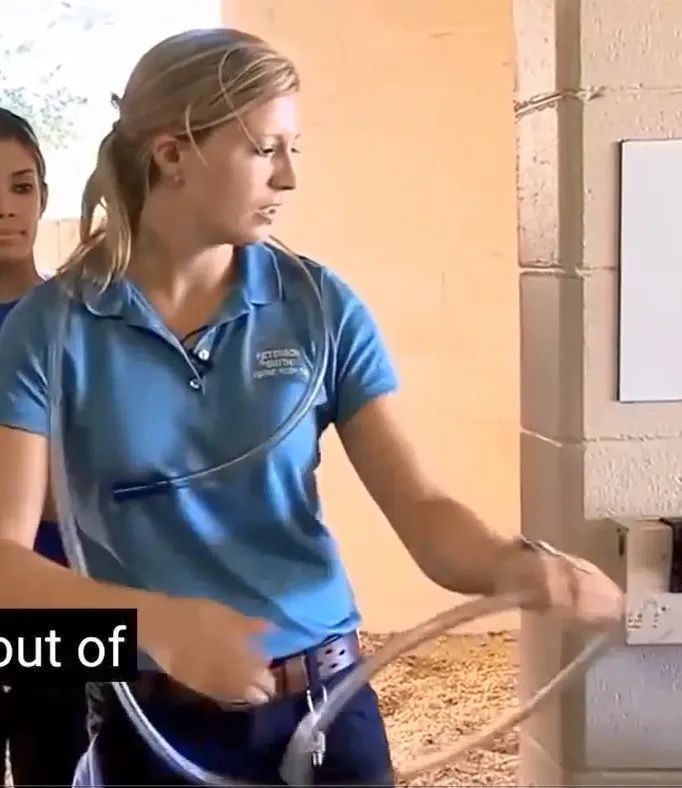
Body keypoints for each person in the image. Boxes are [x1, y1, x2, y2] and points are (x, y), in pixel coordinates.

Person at [0, 28, 623, 787]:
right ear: (171, 154)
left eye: (293, 149)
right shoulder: (48, 330)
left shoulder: (320, 307)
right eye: (264, 149)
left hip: (327, 708)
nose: (289, 177)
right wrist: (157, 624)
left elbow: (423, 510)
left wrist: (513, 565)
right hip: (153, 724)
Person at [0, 108, 88, 786]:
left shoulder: (84, 319)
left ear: (44, 196)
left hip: (64, 597)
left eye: (21, 186)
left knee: (59, 766)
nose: (6, 208)